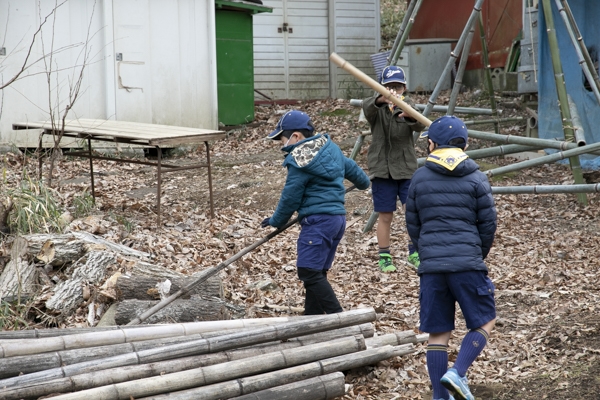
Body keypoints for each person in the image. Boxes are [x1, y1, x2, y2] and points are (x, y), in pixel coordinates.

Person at [405, 115, 497, 400]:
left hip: (432, 267)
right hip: (467, 262)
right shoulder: (476, 178)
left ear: (431, 144)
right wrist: (476, 253)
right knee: (485, 319)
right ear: (464, 143)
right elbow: (488, 223)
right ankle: (458, 371)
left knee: (438, 332)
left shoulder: (419, 177)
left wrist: (424, 252)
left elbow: (413, 222)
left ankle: (439, 396)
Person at [261, 110, 371, 315]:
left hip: (317, 221)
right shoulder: (331, 149)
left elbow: (290, 196)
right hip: (337, 220)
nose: (280, 144)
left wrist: (277, 220)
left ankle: (339, 318)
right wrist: (363, 183)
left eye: (281, 139)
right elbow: (355, 170)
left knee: (308, 271)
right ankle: (312, 318)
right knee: (317, 271)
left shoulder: (300, 160)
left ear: (295, 136)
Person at [362, 65, 426, 273]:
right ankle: (384, 256)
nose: (394, 91)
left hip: (406, 168)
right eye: (389, 87)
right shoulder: (376, 107)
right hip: (382, 169)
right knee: (385, 215)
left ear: (404, 88)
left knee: (412, 213)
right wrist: (381, 99)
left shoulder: (409, 105)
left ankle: (414, 252)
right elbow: (368, 108)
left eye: (397, 87)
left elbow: (419, 125)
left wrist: (408, 116)